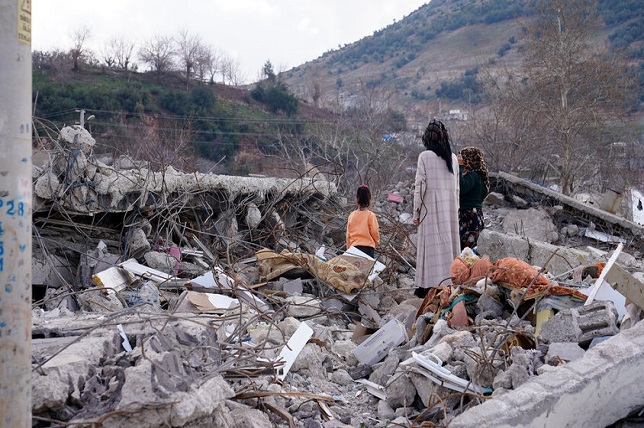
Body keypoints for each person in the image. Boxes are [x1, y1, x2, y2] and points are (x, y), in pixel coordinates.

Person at [412, 120, 460, 297]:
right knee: (447, 246)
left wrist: (416, 212)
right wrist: (455, 209)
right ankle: (448, 282)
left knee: (430, 247)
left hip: (429, 208)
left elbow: (420, 186)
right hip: (449, 209)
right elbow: (457, 189)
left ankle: (427, 286)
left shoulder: (424, 157)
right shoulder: (453, 159)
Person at [457, 147, 490, 250]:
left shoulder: (473, 175)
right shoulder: (478, 175)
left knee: (465, 252)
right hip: (474, 217)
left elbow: (461, 187)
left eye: (461, 156)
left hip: (469, 218)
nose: (458, 158)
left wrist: (460, 167)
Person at [346, 184, 380, 258]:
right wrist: (376, 242)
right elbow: (374, 231)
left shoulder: (352, 215)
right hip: (368, 249)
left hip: (354, 249)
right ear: (369, 199)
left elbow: (348, 235)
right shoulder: (371, 215)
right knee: (367, 269)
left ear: (357, 198)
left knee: (355, 269)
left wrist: (348, 248)